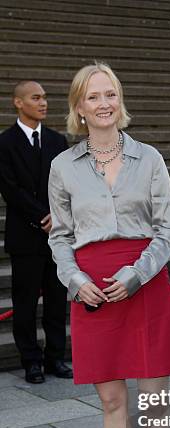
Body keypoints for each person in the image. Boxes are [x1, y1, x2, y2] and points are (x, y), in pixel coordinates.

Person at [48, 63, 170, 428]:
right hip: (91, 290)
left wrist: (133, 276)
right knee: (112, 402)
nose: (104, 103)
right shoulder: (62, 166)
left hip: (143, 281)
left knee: (155, 405)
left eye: (110, 94)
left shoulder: (148, 158)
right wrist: (74, 278)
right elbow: (61, 236)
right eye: (93, 97)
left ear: (119, 100)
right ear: (79, 107)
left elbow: (168, 229)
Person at [0, 81, 72, 383]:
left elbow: (67, 183)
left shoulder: (57, 140)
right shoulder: (4, 142)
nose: (43, 103)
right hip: (25, 236)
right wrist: (43, 215)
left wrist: (57, 215)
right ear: (18, 102)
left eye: (44, 97)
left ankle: (55, 358)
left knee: (57, 302)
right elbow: (9, 188)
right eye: (35, 98)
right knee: (26, 303)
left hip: (56, 236)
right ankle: (30, 360)